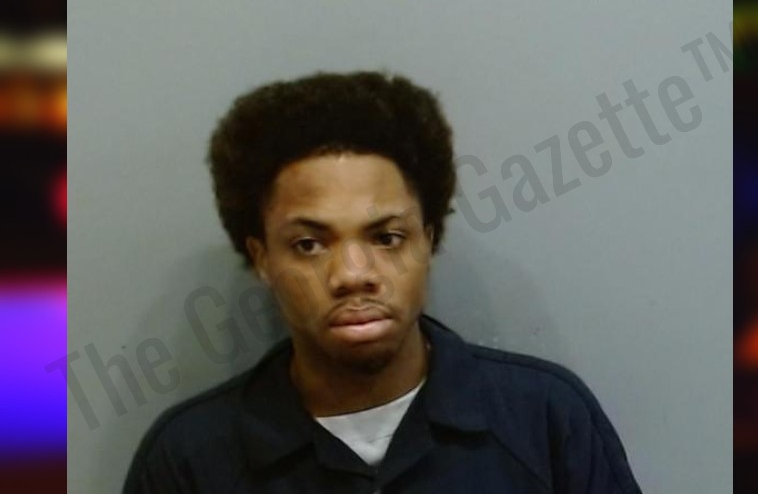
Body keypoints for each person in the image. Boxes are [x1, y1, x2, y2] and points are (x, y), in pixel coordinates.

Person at [124, 71, 642, 493]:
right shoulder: (189, 459)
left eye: (387, 238)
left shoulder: (545, 420)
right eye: (309, 244)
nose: (354, 275)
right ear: (262, 258)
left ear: (427, 241)